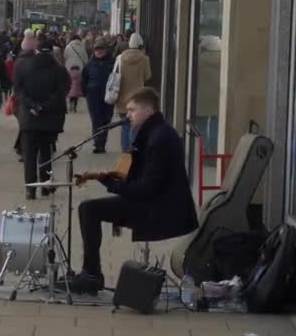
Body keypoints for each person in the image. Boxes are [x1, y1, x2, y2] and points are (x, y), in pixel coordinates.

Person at [63, 87, 198, 295]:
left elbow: (147, 189)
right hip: (156, 201)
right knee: (90, 209)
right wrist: (113, 177)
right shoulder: (154, 132)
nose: (128, 115)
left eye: (132, 110)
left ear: (149, 110)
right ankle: (90, 273)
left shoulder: (159, 138)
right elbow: (144, 176)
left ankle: (91, 275)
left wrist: (111, 183)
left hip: (160, 209)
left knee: (89, 209)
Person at [13, 39, 70, 200]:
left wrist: (33, 106)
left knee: (29, 155)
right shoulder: (59, 70)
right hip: (51, 118)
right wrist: (45, 106)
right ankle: (45, 185)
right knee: (46, 152)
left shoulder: (23, 66)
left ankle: (30, 189)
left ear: (36, 51)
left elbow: (18, 89)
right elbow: (62, 91)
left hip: (29, 117)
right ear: (51, 52)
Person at [116, 33, 152, 153]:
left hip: (123, 99)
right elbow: (148, 76)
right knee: (137, 127)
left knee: (125, 127)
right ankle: (135, 151)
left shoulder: (120, 58)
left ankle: (125, 152)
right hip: (138, 99)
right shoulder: (144, 58)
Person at [82, 39, 115, 153]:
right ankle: (97, 144)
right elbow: (84, 79)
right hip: (93, 96)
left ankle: (102, 142)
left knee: (106, 119)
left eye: (101, 49)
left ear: (106, 50)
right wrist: (85, 92)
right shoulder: (89, 64)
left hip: (108, 95)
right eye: (97, 50)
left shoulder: (112, 62)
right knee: (96, 120)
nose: (99, 52)